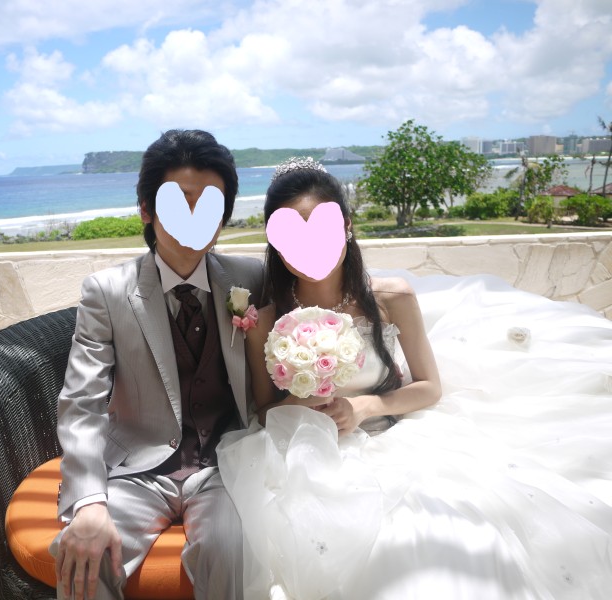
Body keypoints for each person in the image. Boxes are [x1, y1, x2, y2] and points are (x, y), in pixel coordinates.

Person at [217, 158, 612, 599]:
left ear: (346, 227)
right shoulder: (264, 321)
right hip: (305, 454)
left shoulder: (392, 298)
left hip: (392, 438)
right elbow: (264, 411)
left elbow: (429, 387)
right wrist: (303, 401)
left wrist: (364, 407)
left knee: (437, 536)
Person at [51, 129, 263, 600]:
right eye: (180, 201)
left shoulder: (251, 277)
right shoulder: (107, 292)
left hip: (226, 464)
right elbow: (82, 402)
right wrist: (89, 501)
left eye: (210, 204)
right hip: (137, 469)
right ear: (147, 209)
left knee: (234, 548)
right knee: (83, 558)